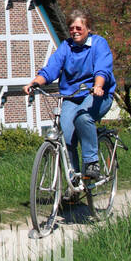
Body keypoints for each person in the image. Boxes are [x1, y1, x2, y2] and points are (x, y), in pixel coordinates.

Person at [23, 9, 115, 182]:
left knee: (83, 117)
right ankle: (74, 181)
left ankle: (92, 162)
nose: (75, 31)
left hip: (96, 94)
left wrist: (98, 85)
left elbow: (103, 68)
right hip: (71, 96)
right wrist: (34, 83)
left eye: (79, 28)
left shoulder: (98, 44)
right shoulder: (66, 47)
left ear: (88, 28)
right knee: (66, 133)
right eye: (72, 28)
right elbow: (51, 69)